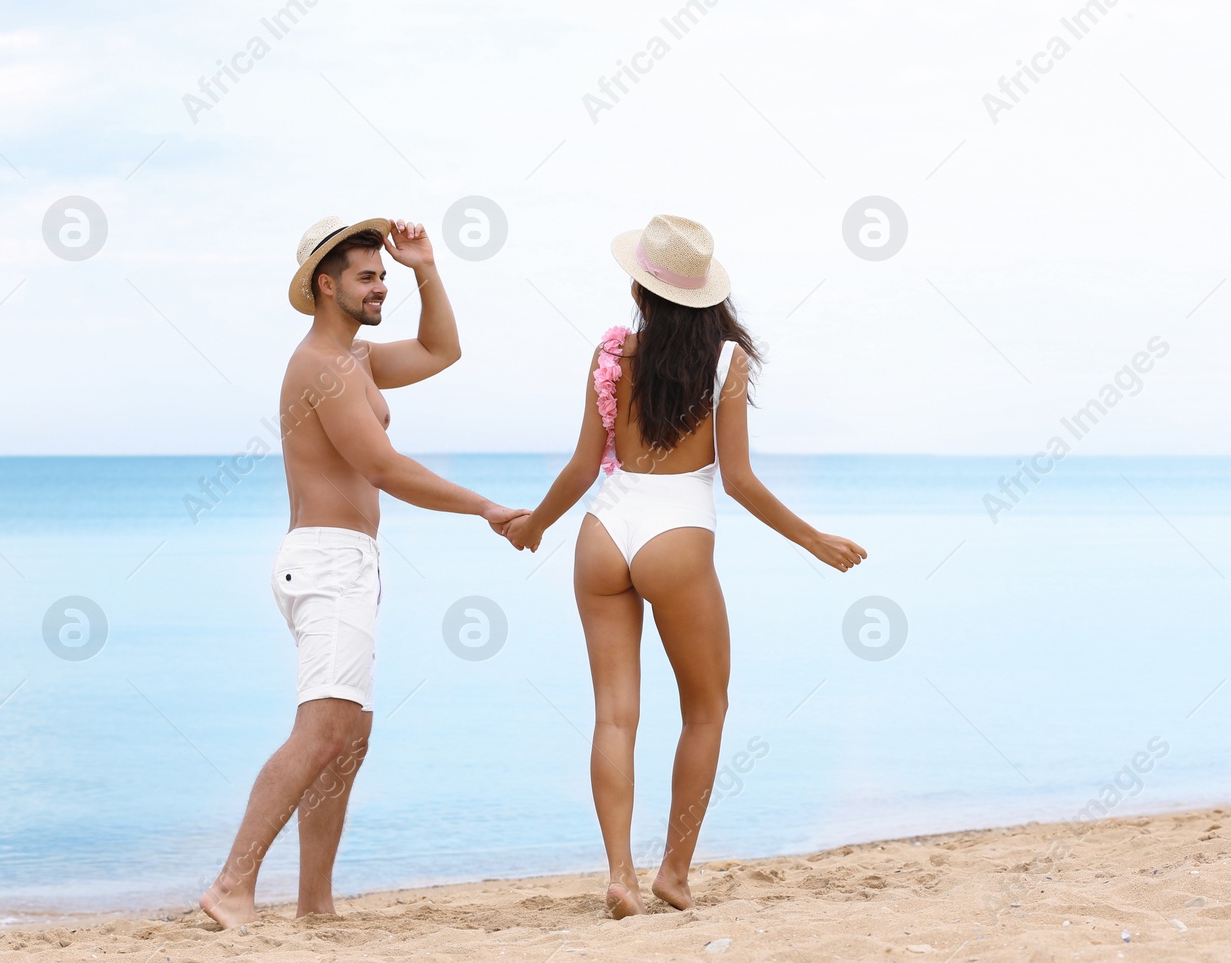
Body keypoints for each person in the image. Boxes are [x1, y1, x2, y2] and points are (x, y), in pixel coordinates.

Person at [503, 214, 867, 918]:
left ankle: (620, 874)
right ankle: (672, 870)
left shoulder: (612, 352)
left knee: (615, 714)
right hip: (677, 535)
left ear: (642, 292)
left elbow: (583, 466)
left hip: (603, 530)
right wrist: (812, 539)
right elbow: (740, 482)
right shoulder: (729, 361)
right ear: (707, 296)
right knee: (706, 709)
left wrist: (534, 525)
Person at [200, 215, 527, 929]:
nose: (381, 286)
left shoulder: (360, 359)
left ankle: (315, 903)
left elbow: (445, 348)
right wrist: (484, 508)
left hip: (348, 562)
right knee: (321, 731)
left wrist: (426, 268)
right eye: (368, 275)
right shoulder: (319, 362)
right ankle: (232, 883)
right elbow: (380, 465)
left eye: (383, 276)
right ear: (327, 284)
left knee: (349, 737)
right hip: (324, 560)